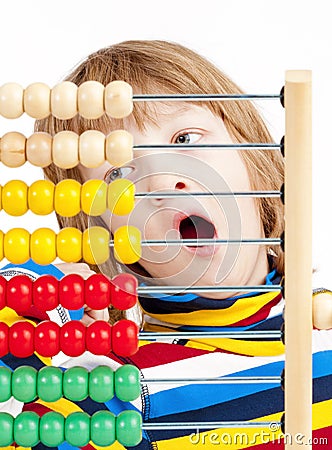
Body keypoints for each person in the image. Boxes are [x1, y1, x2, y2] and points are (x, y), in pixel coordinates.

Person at [0, 40, 331, 449]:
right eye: (118, 172)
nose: (162, 182)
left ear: (252, 155)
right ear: (100, 233)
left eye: (185, 139)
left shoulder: (326, 329)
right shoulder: (114, 395)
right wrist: (33, 296)